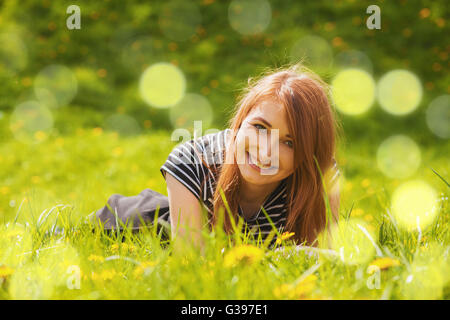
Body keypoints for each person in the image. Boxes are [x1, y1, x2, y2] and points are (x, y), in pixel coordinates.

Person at [95, 63, 341, 250]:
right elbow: (195, 268)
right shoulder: (191, 161)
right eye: (260, 127)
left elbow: (324, 263)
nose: (265, 153)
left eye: (289, 142)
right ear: (241, 120)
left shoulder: (321, 175)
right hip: (128, 224)